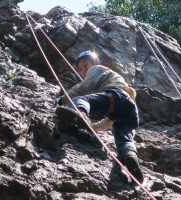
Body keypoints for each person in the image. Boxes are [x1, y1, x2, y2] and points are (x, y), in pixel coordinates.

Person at [55, 50, 144, 184]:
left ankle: (80, 113)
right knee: (124, 139)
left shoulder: (97, 69)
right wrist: (92, 128)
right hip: (130, 110)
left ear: (96, 62)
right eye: (80, 69)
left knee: (81, 101)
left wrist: (63, 99)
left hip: (116, 95)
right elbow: (108, 124)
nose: (83, 70)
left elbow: (86, 86)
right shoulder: (113, 77)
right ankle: (129, 155)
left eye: (85, 65)